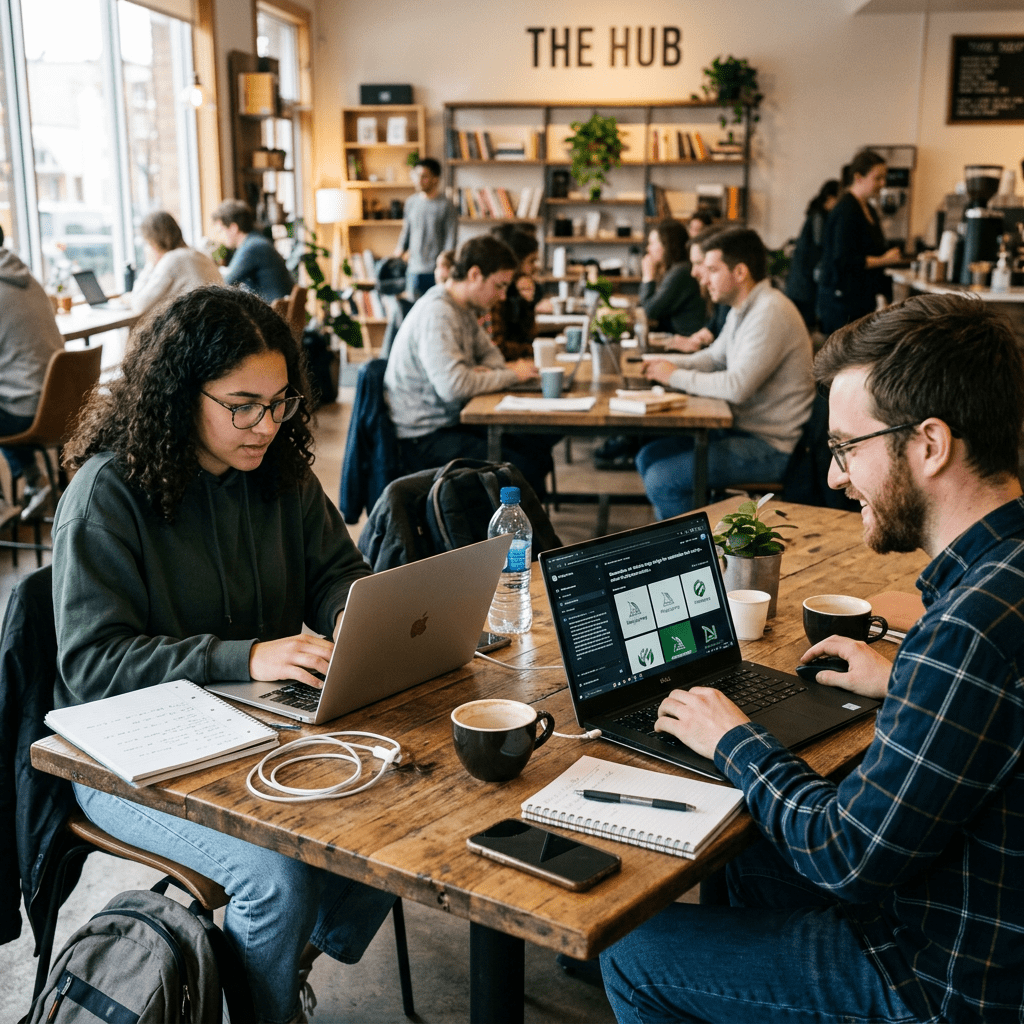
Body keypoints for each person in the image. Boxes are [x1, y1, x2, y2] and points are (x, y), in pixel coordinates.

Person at [601, 292, 1024, 1024]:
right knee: (750, 853)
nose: (833, 477)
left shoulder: (967, 631)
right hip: (976, 914)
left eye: (847, 448)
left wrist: (732, 737)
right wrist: (907, 678)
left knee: (631, 955)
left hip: (943, 983)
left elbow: (845, 855)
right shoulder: (1000, 579)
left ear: (930, 444)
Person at [51, 286, 396, 1024]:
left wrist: (353, 616)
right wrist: (246, 656)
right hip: (124, 752)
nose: (266, 426)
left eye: (280, 403)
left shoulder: (278, 473)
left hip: (252, 723)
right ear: (180, 396)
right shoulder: (106, 494)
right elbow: (93, 666)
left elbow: (337, 573)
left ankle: (277, 961)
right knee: (276, 880)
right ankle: (270, 994)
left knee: (399, 808)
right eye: (242, 405)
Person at [636, 227, 814, 520]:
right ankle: (692, 527)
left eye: (713, 270)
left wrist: (673, 376)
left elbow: (737, 386)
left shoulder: (769, 312)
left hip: (773, 446)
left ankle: (698, 546)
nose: (703, 279)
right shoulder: (743, 309)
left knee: (662, 478)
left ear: (740, 272)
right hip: (743, 429)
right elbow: (713, 358)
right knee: (649, 457)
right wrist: (658, 362)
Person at [383, 235, 549, 495]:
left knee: (535, 449)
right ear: (474, 275)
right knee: (522, 468)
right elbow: (454, 387)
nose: (503, 296)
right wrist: (513, 375)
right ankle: (510, 521)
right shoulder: (438, 313)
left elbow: (493, 358)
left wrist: (474, 374)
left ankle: (518, 519)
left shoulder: (463, 309)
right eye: (499, 286)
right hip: (424, 436)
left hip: (450, 421)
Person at [0, 224, 64, 509]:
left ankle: (9, 503)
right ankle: (35, 481)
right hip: (61, 405)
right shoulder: (28, 278)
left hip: (27, 412)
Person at [816, 150, 902, 334]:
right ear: (858, 177)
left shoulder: (868, 208)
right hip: (841, 302)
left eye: (884, 178)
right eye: (877, 178)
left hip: (859, 299)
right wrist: (884, 260)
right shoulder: (846, 210)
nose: (883, 183)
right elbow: (845, 260)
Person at [129, 210, 222, 315]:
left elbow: (138, 306)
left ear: (153, 242)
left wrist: (149, 265)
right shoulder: (201, 255)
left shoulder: (172, 260)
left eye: (147, 243)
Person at [394, 157, 458, 300]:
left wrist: (445, 266)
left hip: (435, 271)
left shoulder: (447, 205)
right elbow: (406, 232)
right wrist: (399, 251)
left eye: (424, 176)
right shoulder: (411, 202)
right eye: (417, 176)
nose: (419, 180)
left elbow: (451, 239)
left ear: (435, 179)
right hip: (413, 270)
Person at [661, 226, 729, 354]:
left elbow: (723, 356)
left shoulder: (727, 295)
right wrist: (697, 338)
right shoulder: (721, 297)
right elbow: (714, 327)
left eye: (698, 263)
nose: (693, 272)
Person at [784, 178, 841, 329]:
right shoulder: (819, 217)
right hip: (804, 281)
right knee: (803, 324)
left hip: (802, 280)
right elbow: (820, 243)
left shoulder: (817, 215)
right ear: (830, 198)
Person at [213, 199, 294, 303]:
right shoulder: (255, 240)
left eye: (221, 231)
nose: (219, 237)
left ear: (233, 228)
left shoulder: (251, 247)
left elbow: (225, 282)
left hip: (270, 309)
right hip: (275, 306)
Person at [638, 218, 706, 338]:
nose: (648, 248)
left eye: (652, 243)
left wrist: (648, 276)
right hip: (680, 337)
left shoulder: (681, 272)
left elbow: (649, 311)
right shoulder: (676, 269)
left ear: (667, 245)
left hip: (687, 340)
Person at [487, 224, 544, 362]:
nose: (535, 267)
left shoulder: (517, 293)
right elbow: (498, 348)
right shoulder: (496, 295)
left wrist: (527, 303)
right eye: (531, 261)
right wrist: (534, 349)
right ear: (515, 262)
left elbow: (529, 336)